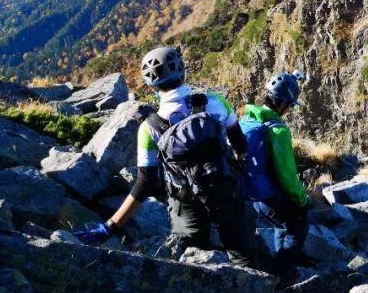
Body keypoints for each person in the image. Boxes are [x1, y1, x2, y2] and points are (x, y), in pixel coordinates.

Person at [76, 46, 256, 266]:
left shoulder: (149, 128)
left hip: (187, 202)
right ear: (183, 72)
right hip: (227, 188)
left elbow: (145, 184)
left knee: (195, 260)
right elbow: (239, 140)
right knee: (244, 255)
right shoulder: (215, 102)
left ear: (151, 85)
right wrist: (237, 165)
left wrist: (110, 226)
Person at [241, 71, 310, 287]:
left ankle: (282, 265)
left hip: (244, 195)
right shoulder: (277, 130)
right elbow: (287, 175)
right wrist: (302, 200)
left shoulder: (246, 119)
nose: (289, 109)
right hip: (266, 198)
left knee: (283, 222)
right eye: (290, 105)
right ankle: (280, 275)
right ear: (283, 103)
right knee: (298, 225)